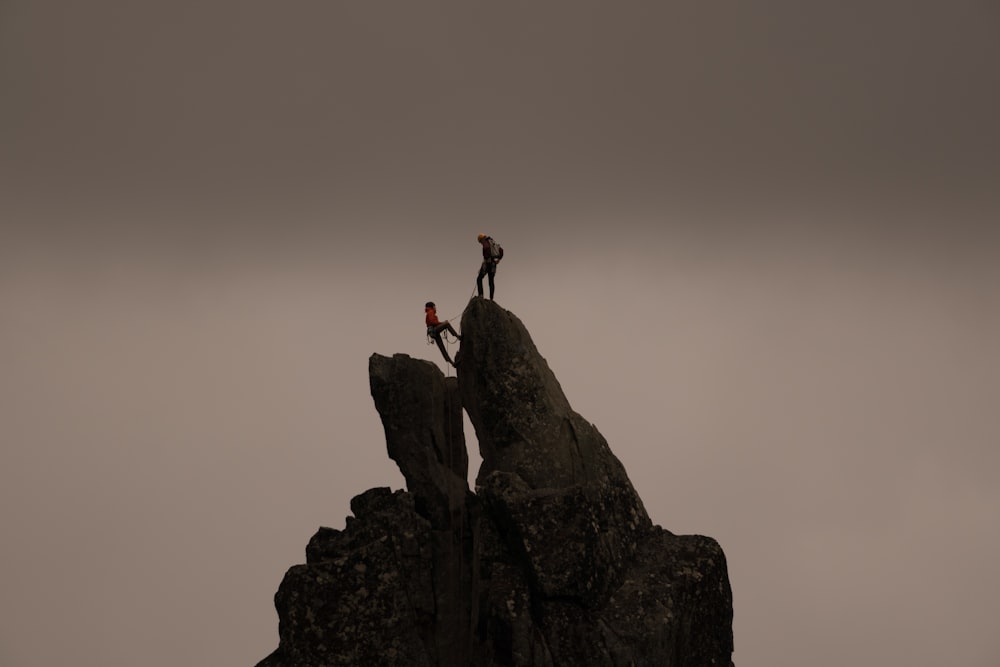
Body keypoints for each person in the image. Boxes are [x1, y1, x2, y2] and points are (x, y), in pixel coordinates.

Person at [425, 301, 461, 366]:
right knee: (447, 324)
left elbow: (432, 322)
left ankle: (452, 363)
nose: (435, 308)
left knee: (442, 348)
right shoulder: (431, 312)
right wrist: (443, 323)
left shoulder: (429, 312)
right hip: (434, 329)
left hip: (433, 332)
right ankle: (457, 336)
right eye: (434, 306)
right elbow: (433, 322)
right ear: (432, 306)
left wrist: (441, 323)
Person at [476, 233, 503, 300]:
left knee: (479, 278)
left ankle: (481, 295)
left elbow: (487, 254)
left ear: (481, 239)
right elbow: (501, 251)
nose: (481, 243)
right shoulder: (493, 242)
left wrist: (483, 265)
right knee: (491, 281)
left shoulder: (485, 243)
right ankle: (491, 298)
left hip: (488, 263)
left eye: (480, 241)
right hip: (493, 264)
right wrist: (499, 259)